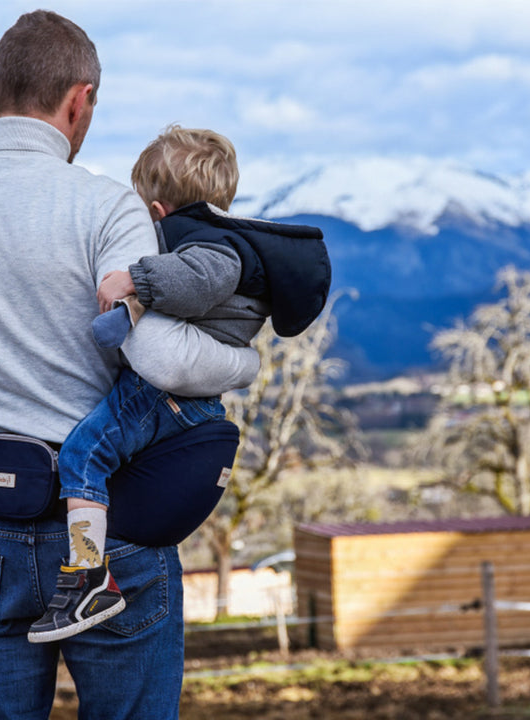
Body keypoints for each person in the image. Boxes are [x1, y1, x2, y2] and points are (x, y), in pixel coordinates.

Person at [0, 10, 256, 718]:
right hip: (116, 537)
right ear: (82, 100)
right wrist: (241, 363)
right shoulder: (110, 211)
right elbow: (163, 360)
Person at [28, 126, 330, 643]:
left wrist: (136, 279)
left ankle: (87, 577)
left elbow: (200, 283)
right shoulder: (220, 237)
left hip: (162, 395)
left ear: (159, 210)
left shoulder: (214, 246)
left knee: (84, 456)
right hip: (183, 396)